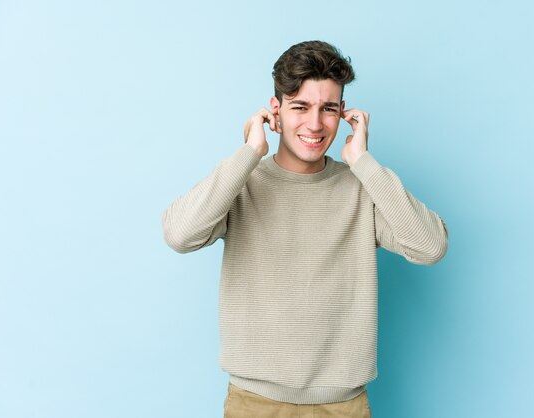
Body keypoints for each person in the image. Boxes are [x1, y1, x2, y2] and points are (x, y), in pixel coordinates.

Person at [162, 40, 448, 418]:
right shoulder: (241, 183)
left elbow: (430, 247)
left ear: (343, 113)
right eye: (300, 107)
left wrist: (363, 162)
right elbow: (180, 235)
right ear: (275, 112)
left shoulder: (362, 187)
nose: (315, 124)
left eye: (328, 109)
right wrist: (248, 153)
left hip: (343, 405)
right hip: (255, 403)